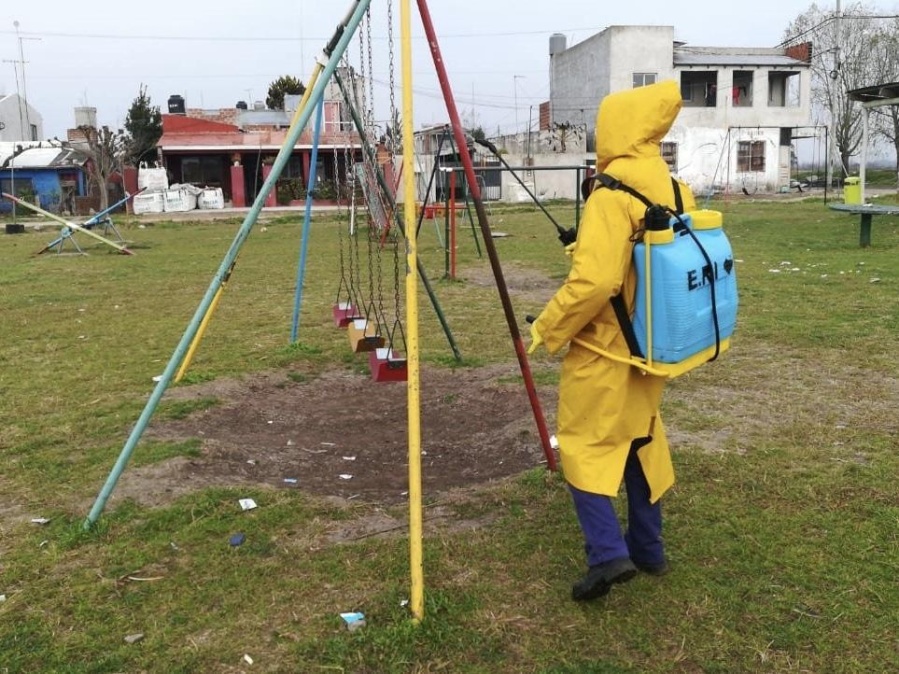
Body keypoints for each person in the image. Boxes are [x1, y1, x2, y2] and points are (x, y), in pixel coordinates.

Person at [529, 80, 696, 601]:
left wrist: (547, 330)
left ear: (615, 129)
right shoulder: (671, 187)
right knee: (640, 438)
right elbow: (645, 261)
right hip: (655, 343)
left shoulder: (610, 192)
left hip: (604, 347)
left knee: (584, 444)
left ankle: (607, 556)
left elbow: (596, 283)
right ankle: (649, 548)